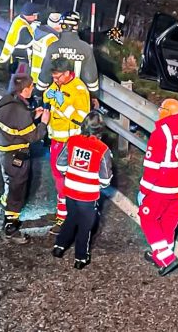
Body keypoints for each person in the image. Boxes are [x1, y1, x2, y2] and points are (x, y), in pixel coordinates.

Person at [138, 98, 178, 276]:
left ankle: (166, 258)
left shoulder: (160, 133)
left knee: (148, 219)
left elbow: (152, 167)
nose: (159, 112)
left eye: (161, 109)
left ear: (167, 112)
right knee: (169, 223)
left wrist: (144, 191)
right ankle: (161, 254)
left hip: (160, 189)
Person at [52, 112, 112, 269]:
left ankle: (59, 246)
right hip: (88, 195)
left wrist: (71, 175)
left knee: (70, 218)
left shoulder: (72, 141)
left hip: (70, 189)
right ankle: (81, 257)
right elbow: (105, 180)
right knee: (85, 227)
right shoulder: (102, 149)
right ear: (100, 130)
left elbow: (60, 165)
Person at [0, 75, 50, 243]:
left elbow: (15, 124)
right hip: (17, 155)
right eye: (31, 87)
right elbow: (33, 136)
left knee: (11, 183)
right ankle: (10, 227)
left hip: (5, 152)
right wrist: (43, 123)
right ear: (25, 90)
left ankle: (7, 209)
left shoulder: (5, 101)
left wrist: (32, 115)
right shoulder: (21, 112)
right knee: (18, 189)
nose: (33, 89)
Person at [43, 57, 90, 234]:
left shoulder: (79, 90)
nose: (55, 80)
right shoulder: (59, 84)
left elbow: (82, 118)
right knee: (58, 179)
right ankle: (62, 213)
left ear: (68, 73)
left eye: (57, 77)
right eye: (53, 78)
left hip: (70, 143)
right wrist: (48, 95)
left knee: (66, 180)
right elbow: (47, 95)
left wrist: (63, 106)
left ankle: (65, 217)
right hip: (57, 140)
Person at [36, 11, 99, 97]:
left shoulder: (53, 47)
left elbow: (45, 73)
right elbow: (91, 78)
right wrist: (93, 97)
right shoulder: (85, 48)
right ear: (77, 26)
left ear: (61, 25)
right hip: (78, 96)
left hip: (57, 95)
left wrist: (38, 93)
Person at [0, 2, 39, 75]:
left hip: (13, 59)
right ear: (28, 15)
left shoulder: (19, 20)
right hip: (21, 61)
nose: (36, 18)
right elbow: (32, 42)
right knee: (20, 81)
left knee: (15, 81)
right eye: (34, 15)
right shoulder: (23, 28)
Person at [30, 12, 61, 83]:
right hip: (45, 77)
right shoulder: (52, 39)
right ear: (58, 25)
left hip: (34, 75)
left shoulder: (38, 31)